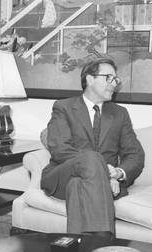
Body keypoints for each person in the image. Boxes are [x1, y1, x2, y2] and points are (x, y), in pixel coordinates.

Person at [41, 58, 145, 237]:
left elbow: (135, 155)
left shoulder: (120, 113)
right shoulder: (63, 107)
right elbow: (60, 149)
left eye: (115, 79)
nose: (114, 83)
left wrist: (118, 173)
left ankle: (77, 250)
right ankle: (104, 241)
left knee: (77, 185)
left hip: (86, 183)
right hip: (62, 174)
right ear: (90, 80)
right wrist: (103, 170)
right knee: (92, 157)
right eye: (108, 78)